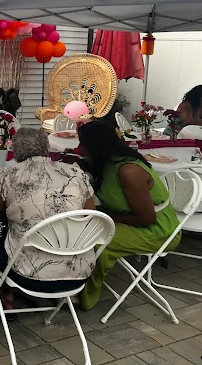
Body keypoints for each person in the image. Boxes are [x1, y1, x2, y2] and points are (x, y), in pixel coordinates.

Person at [0, 128, 97, 316]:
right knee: (17, 234)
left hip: (29, 274)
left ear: (16, 150)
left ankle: (2, 298)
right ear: (47, 148)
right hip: (79, 273)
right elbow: (91, 216)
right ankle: (8, 294)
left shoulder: (8, 175)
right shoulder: (75, 174)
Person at [77, 121, 181, 310]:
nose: (79, 147)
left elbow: (147, 218)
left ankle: (86, 295)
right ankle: (74, 279)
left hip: (157, 229)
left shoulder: (129, 171)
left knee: (96, 240)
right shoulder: (108, 161)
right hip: (132, 220)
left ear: (97, 146)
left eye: (83, 144)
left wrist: (107, 217)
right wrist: (81, 163)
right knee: (81, 229)